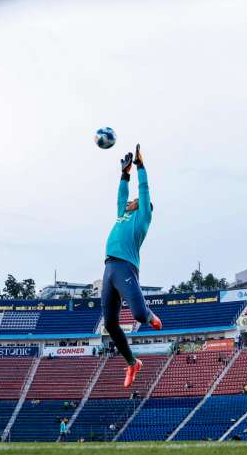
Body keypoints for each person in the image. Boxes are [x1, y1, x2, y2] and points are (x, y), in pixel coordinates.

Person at [101, 144, 162, 387]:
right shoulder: (122, 214)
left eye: (134, 201)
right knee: (109, 324)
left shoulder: (142, 218)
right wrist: (124, 174)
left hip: (125, 267)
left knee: (138, 314)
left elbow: (144, 192)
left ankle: (150, 315)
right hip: (109, 269)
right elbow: (121, 197)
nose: (129, 202)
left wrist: (140, 167)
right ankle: (132, 363)